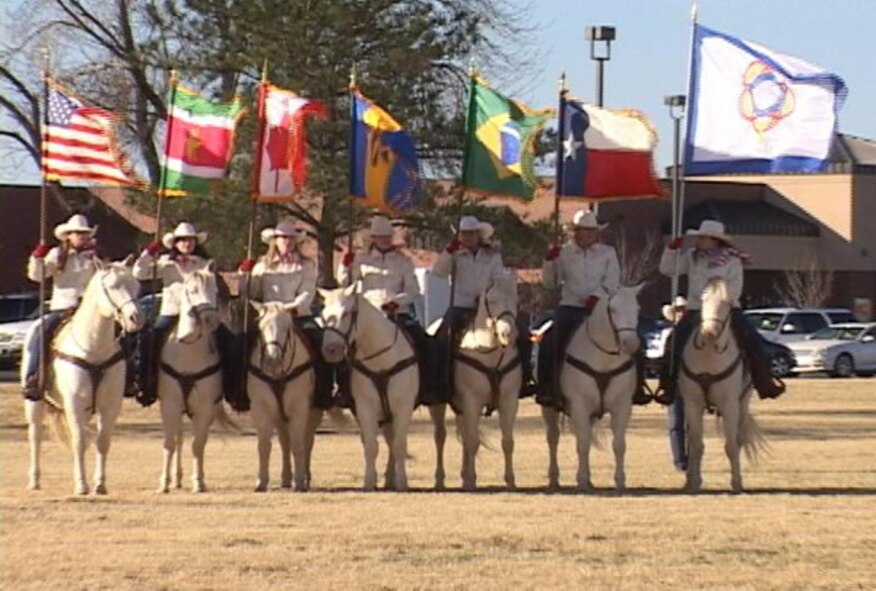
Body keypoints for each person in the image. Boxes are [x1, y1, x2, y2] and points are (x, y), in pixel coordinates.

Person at [655, 219, 785, 404]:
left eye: (704, 238)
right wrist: (672, 250)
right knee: (673, 343)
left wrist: (717, 303)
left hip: (727, 309)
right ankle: (667, 387)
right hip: (695, 309)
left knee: (757, 344)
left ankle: (764, 382)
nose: (699, 241)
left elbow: (735, 289)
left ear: (715, 240)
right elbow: (667, 269)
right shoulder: (691, 257)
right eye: (699, 237)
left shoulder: (732, 261)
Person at [537, 209, 652, 410]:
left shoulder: (608, 253)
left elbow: (612, 280)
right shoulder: (563, 253)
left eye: (592, 230)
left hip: (601, 307)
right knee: (550, 341)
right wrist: (549, 262)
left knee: (635, 340)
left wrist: (597, 296)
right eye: (584, 230)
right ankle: (548, 387)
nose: (589, 234)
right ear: (576, 231)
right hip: (571, 306)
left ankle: (637, 387)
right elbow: (550, 284)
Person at [430, 215, 534, 403]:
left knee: (523, 335)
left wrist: (490, 297)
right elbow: (438, 272)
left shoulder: (492, 256)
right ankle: (440, 383)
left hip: (490, 308)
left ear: (479, 235)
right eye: (464, 234)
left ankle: (525, 379)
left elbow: (499, 280)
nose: (468, 237)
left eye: (471, 234)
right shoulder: (454, 255)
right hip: (461, 307)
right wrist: (447, 252)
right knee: (441, 341)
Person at [133, 222, 238, 407]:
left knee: (228, 339)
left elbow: (212, 289)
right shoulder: (166, 262)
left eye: (190, 240)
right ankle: (147, 383)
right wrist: (149, 253)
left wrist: (211, 311)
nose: (186, 244)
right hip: (173, 311)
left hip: (201, 312)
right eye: (182, 240)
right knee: (150, 339)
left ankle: (230, 387)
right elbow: (139, 273)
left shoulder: (205, 263)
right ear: (175, 243)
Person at [238, 220, 333, 410]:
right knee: (241, 343)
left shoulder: (306, 265)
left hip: (297, 314)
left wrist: (293, 307)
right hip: (268, 317)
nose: (286, 241)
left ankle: (324, 392)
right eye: (282, 238)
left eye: (290, 238)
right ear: (275, 241)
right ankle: (239, 391)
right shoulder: (262, 266)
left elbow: (308, 290)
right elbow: (251, 293)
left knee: (320, 341)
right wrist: (244, 275)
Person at [336, 215, 426, 406]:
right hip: (367, 316)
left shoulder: (403, 262)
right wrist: (345, 264)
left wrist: (397, 301)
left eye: (387, 236)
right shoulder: (361, 260)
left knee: (423, 341)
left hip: (396, 313)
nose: (384, 240)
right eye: (380, 236)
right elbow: (344, 283)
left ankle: (425, 387)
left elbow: (413, 290)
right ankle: (344, 390)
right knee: (345, 347)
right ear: (373, 238)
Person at [21, 214, 101, 400]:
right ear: (69, 235)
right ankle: (34, 377)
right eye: (78, 233)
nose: (82, 236)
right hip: (63, 308)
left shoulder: (96, 255)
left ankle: (126, 377)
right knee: (41, 333)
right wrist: (37, 258)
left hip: (89, 311)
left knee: (120, 336)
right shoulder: (58, 254)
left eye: (85, 233)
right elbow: (37, 275)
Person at [661, 295, 689, 472]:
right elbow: (665, 364)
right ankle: (680, 462)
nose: (681, 314)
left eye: (684, 310)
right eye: (678, 311)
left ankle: (693, 459)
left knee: (693, 426)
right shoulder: (670, 335)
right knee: (675, 425)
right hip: (675, 384)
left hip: (694, 383)